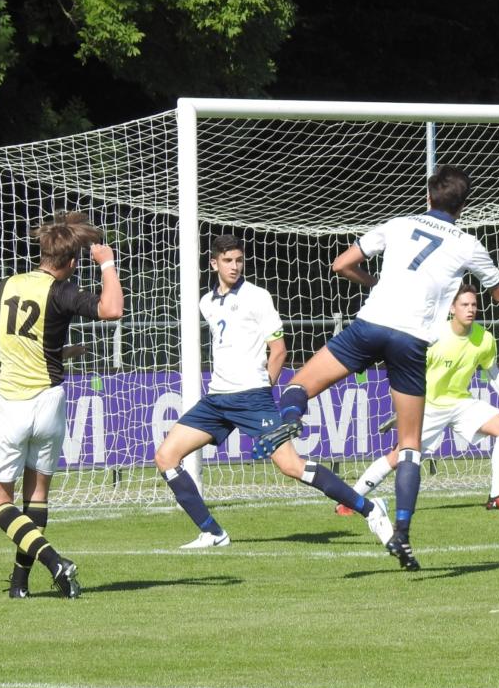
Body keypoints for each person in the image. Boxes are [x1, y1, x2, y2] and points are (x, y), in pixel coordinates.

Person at [254, 164, 499, 571]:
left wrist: (373, 283)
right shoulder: (468, 243)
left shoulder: (398, 224)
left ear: (428, 196)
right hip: (410, 343)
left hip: (369, 327)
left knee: (296, 387)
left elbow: (340, 265)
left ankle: (291, 419)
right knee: (409, 446)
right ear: (464, 205)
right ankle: (402, 532)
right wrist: (488, 289)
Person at [153, 235, 393, 549]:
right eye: (228, 261)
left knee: (291, 466)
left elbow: (278, 350)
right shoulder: (206, 302)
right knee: (165, 456)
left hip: (253, 397)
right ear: (214, 263)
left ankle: (370, 509)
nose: (235, 266)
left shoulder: (257, 296)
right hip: (216, 400)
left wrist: (263, 390)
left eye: (239, 260)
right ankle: (213, 532)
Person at [0, 211, 124, 599]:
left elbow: (14, 341)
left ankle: (53, 561)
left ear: (42, 251)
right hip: (49, 401)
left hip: (12, 401)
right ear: (72, 262)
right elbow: (112, 309)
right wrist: (107, 264)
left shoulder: (8, 285)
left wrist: (56, 351)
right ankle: (19, 582)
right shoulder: (63, 293)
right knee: (37, 495)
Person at [349, 282, 499, 512]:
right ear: (451, 308)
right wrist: (403, 410)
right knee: (399, 457)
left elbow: (492, 371)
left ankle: (497, 495)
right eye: (464, 304)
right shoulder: (433, 337)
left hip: (461, 403)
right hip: (428, 406)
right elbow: (405, 372)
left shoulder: (484, 339)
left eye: (474, 304)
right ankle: (350, 500)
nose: (470, 309)